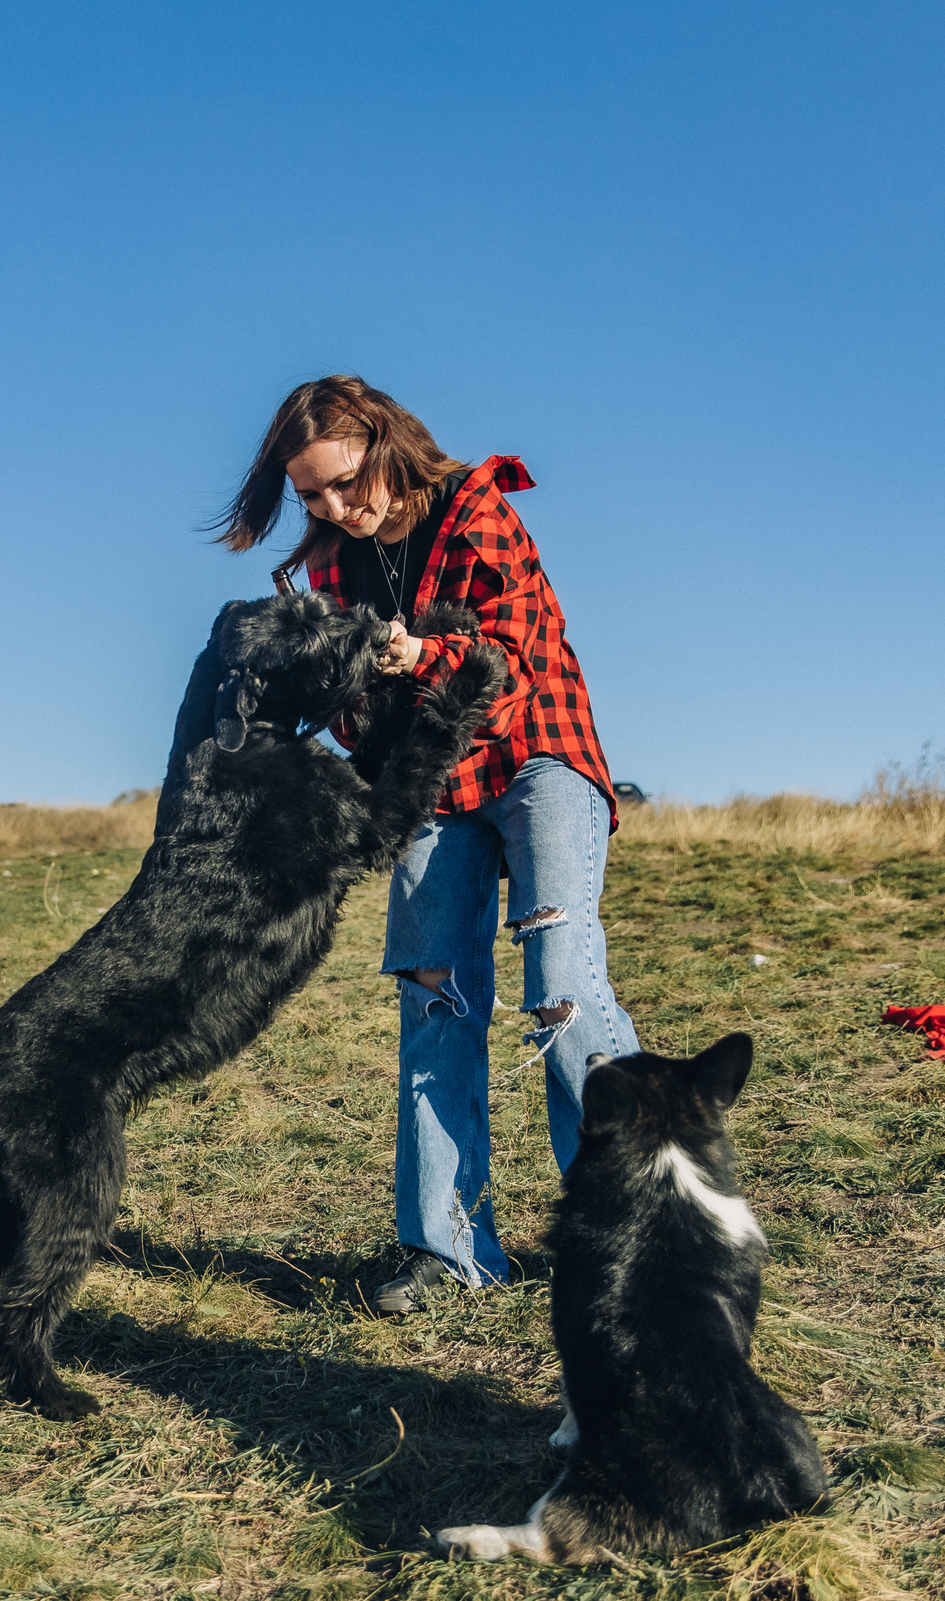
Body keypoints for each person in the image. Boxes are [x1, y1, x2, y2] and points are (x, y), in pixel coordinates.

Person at [217, 377, 639, 1312]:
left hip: (537, 755)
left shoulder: (476, 512)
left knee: (562, 979)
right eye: (312, 496)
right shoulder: (332, 566)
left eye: (344, 481)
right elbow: (360, 720)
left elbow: (513, 668)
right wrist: (327, 693)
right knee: (435, 997)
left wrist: (417, 656)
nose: (335, 508)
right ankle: (449, 1253)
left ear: (383, 441)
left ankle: (636, 1230)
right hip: (433, 782)